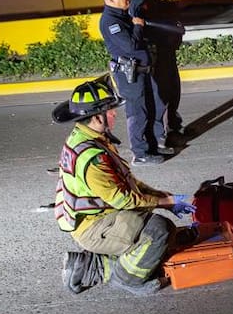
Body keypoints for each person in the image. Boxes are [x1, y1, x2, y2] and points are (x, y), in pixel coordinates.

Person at [53, 77, 197, 296]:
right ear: (95, 117)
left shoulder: (87, 138)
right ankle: (126, 279)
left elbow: (127, 183)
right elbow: (123, 199)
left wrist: (163, 197)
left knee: (157, 242)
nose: (114, 114)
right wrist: (164, 203)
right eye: (109, 111)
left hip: (98, 215)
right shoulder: (93, 157)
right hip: (94, 226)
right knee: (159, 231)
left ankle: (87, 266)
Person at [98, 0, 167, 165]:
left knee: (151, 108)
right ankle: (140, 153)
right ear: (111, 0)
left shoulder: (121, 15)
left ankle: (152, 147)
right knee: (138, 113)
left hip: (141, 70)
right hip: (130, 75)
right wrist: (138, 25)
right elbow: (130, 45)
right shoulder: (111, 21)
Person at [129, 0, 187, 147]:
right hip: (157, 55)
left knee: (172, 91)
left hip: (165, 52)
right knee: (161, 95)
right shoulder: (140, 0)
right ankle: (159, 136)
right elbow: (140, 25)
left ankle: (173, 128)